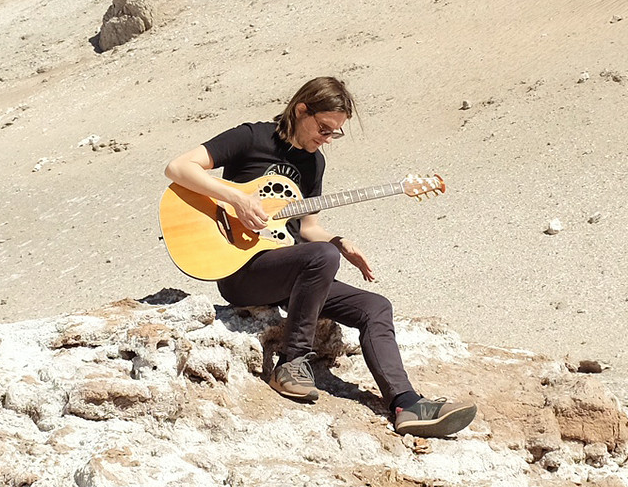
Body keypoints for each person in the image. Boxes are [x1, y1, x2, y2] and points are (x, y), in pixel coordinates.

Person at [163, 76, 477, 439]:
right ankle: (291, 363)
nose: (326, 139)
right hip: (240, 269)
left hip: (291, 269)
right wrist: (236, 199)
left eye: (334, 134)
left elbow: (309, 228)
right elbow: (178, 167)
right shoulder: (252, 137)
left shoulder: (314, 165)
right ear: (301, 110)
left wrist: (338, 241)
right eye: (323, 128)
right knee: (321, 257)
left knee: (375, 307)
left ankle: (406, 404)